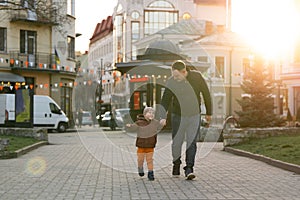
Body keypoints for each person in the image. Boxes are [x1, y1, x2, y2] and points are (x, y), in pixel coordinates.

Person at [159, 60, 212, 180]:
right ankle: (176, 164)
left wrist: (209, 113)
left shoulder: (197, 77)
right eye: (174, 75)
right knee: (177, 142)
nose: (175, 78)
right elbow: (165, 98)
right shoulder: (172, 81)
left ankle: (189, 168)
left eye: (177, 75)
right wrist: (162, 116)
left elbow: (206, 93)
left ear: (184, 72)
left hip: (194, 115)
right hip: (178, 115)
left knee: (191, 142)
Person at [126, 107, 165, 181]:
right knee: (140, 159)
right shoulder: (139, 122)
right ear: (144, 114)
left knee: (149, 160)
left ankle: (151, 173)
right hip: (141, 145)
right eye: (149, 113)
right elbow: (133, 127)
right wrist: (129, 126)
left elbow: (160, 126)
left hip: (150, 145)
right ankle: (140, 168)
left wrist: (162, 124)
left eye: (153, 113)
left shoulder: (155, 122)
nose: (151, 114)